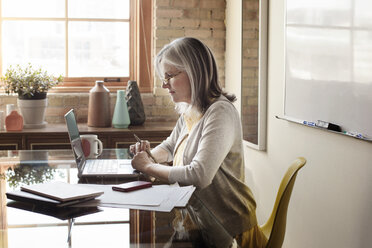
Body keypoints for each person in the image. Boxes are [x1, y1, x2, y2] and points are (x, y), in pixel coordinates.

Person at [130, 37, 267, 248]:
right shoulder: (191, 109)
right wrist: (148, 154)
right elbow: (169, 146)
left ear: (194, 72)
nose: (163, 84)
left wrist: (148, 166)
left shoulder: (220, 112)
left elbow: (199, 175)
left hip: (229, 229)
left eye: (170, 76)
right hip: (195, 220)